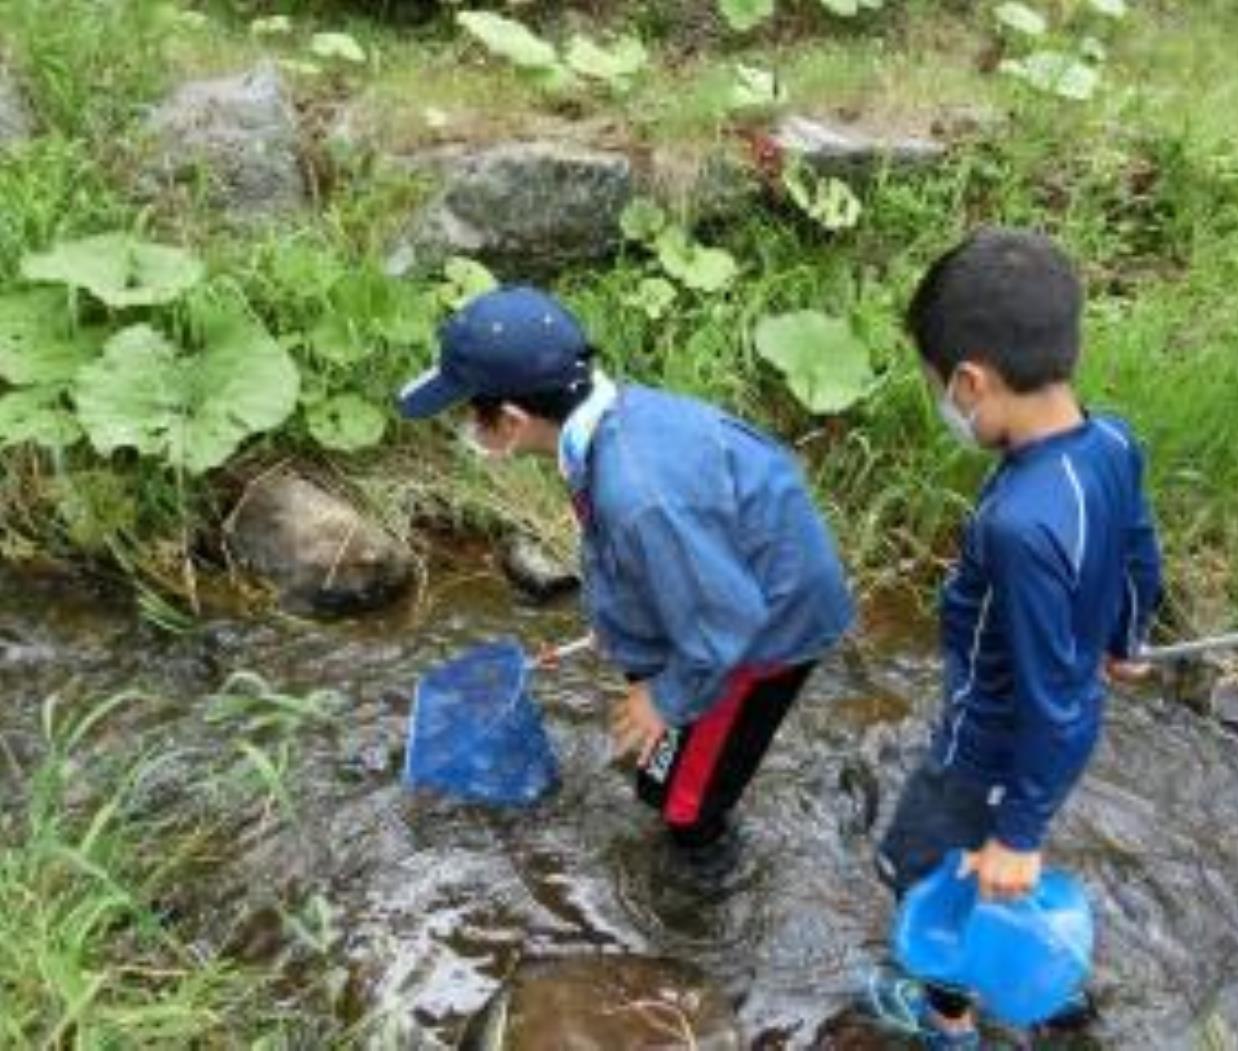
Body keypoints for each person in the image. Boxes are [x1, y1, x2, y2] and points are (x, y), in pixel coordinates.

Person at [397, 285, 854, 869]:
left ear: (512, 421)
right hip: (734, 581)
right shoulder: (617, 419)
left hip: (765, 632)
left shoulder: (638, 494)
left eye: (471, 412)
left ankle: (703, 891)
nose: (468, 425)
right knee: (663, 766)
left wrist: (664, 699)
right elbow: (666, 555)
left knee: (683, 806)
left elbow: (726, 624)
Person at [869, 228, 1162, 1048]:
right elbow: (1138, 550)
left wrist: (1019, 829)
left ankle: (948, 1017)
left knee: (918, 870)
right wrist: (1126, 636)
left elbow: (1050, 697)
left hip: (986, 746)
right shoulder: (1110, 442)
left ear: (971, 381)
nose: (944, 405)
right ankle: (1047, 984)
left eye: (939, 388)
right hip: (1039, 735)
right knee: (984, 861)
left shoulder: (1017, 526)